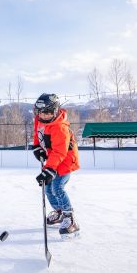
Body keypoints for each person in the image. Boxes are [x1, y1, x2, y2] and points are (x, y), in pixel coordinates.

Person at [32, 93, 81, 238]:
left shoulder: (60, 127)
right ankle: (59, 212)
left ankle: (70, 219)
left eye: (47, 112)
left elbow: (60, 151)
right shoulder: (39, 120)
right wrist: (37, 147)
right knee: (48, 189)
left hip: (65, 161)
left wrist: (49, 169)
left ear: (55, 111)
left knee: (57, 188)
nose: (44, 115)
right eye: (41, 112)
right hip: (53, 160)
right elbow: (37, 134)